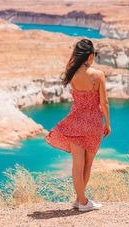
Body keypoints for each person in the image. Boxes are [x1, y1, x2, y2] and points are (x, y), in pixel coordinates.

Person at [44, 39, 111, 212]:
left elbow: (71, 65)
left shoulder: (70, 71)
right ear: (90, 55)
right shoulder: (98, 75)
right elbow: (104, 103)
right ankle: (82, 201)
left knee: (77, 164)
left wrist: (75, 57)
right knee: (87, 164)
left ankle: (80, 199)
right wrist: (108, 123)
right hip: (93, 124)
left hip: (75, 121)